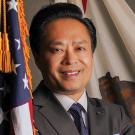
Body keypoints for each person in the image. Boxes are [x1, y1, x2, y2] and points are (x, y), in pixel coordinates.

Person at [29, 3, 135, 135]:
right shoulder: (22, 116)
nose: (71, 60)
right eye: (58, 50)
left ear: (91, 54)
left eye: (80, 48)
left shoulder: (115, 115)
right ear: (37, 57)